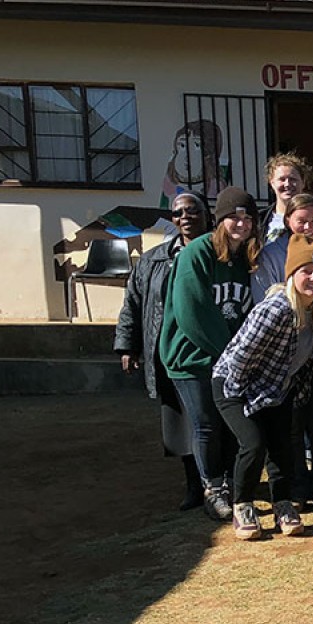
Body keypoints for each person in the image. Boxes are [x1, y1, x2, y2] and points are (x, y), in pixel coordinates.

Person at [212, 234, 313, 540]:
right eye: (306, 272)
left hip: (276, 388)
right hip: (234, 385)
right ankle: (243, 505)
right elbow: (240, 358)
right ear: (292, 275)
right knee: (253, 443)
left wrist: (293, 396)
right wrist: (247, 405)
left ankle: (283, 505)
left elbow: (303, 364)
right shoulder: (278, 308)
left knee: (283, 447)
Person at [159, 187, 261, 521]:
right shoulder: (197, 253)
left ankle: (231, 483)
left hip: (228, 357)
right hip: (191, 357)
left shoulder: (245, 257)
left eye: (247, 217)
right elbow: (193, 313)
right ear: (220, 219)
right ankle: (212, 489)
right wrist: (231, 353)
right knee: (206, 424)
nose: (241, 223)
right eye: (233, 216)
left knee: (230, 423)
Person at [253, 194, 313, 513]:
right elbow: (263, 301)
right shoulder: (271, 255)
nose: (308, 227)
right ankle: (294, 486)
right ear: (288, 221)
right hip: (283, 358)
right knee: (290, 426)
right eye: (301, 220)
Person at [115, 192, 209, 511]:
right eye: (178, 212)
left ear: (206, 214)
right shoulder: (153, 260)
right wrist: (128, 345)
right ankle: (194, 486)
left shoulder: (221, 255)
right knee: (181, 427)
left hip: (210, 353)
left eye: (192, 210)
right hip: (170, 355)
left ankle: (221, 484)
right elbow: (133, 303)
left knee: (214, 423)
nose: (185, 217)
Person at [259, 152, 311, 243]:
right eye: (282, 179)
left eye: (293, 179)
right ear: (272, 183)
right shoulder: (260, 220)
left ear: (303, 182)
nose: (287, 184)